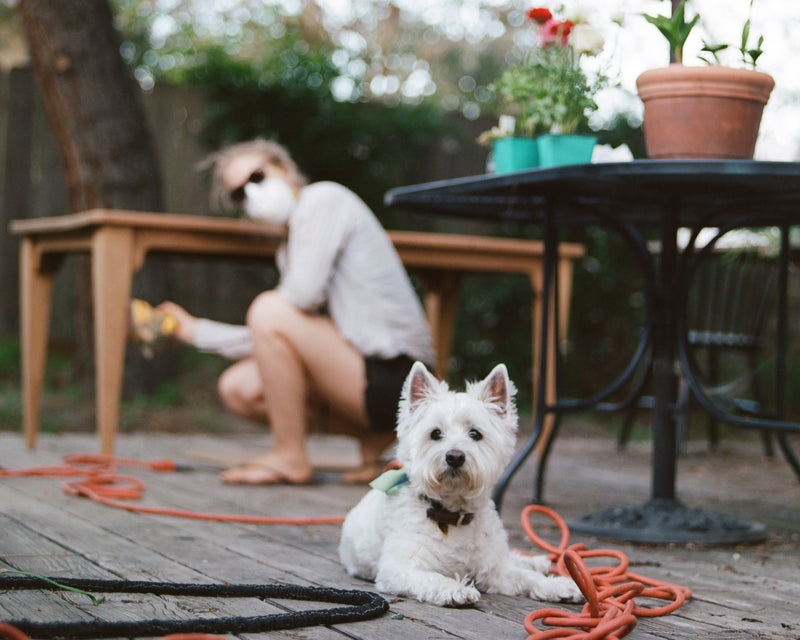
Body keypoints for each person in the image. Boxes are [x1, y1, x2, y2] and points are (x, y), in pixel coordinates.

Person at [160, 139, 436, 485]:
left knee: (267, 309)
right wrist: (196, 332)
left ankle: (289, 455)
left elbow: (287, 309)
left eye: (257, 177)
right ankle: (372, 436)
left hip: (402, 379)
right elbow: (274, 337)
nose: (251, 193)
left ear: (285, 168)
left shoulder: (323, 200)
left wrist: (199, 331)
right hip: (362, 375)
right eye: (239, 194)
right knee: (239, 387)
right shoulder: (290, 247)